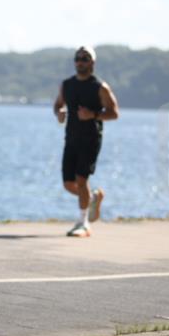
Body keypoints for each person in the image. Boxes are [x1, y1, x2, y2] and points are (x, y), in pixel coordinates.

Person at [53, 46, 119, 237]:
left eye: (85, 58)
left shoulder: (100, 87)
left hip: (90, 139)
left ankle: (84, 223)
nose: (80, 62)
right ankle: (94, 197)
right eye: (78, 58)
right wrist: (59, 113)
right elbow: (58, 104)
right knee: (68, 184)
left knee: (81, 180)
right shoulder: (67, 85)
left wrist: (93, 115)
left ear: (92, 62)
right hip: (71, 138)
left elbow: (114, 113)